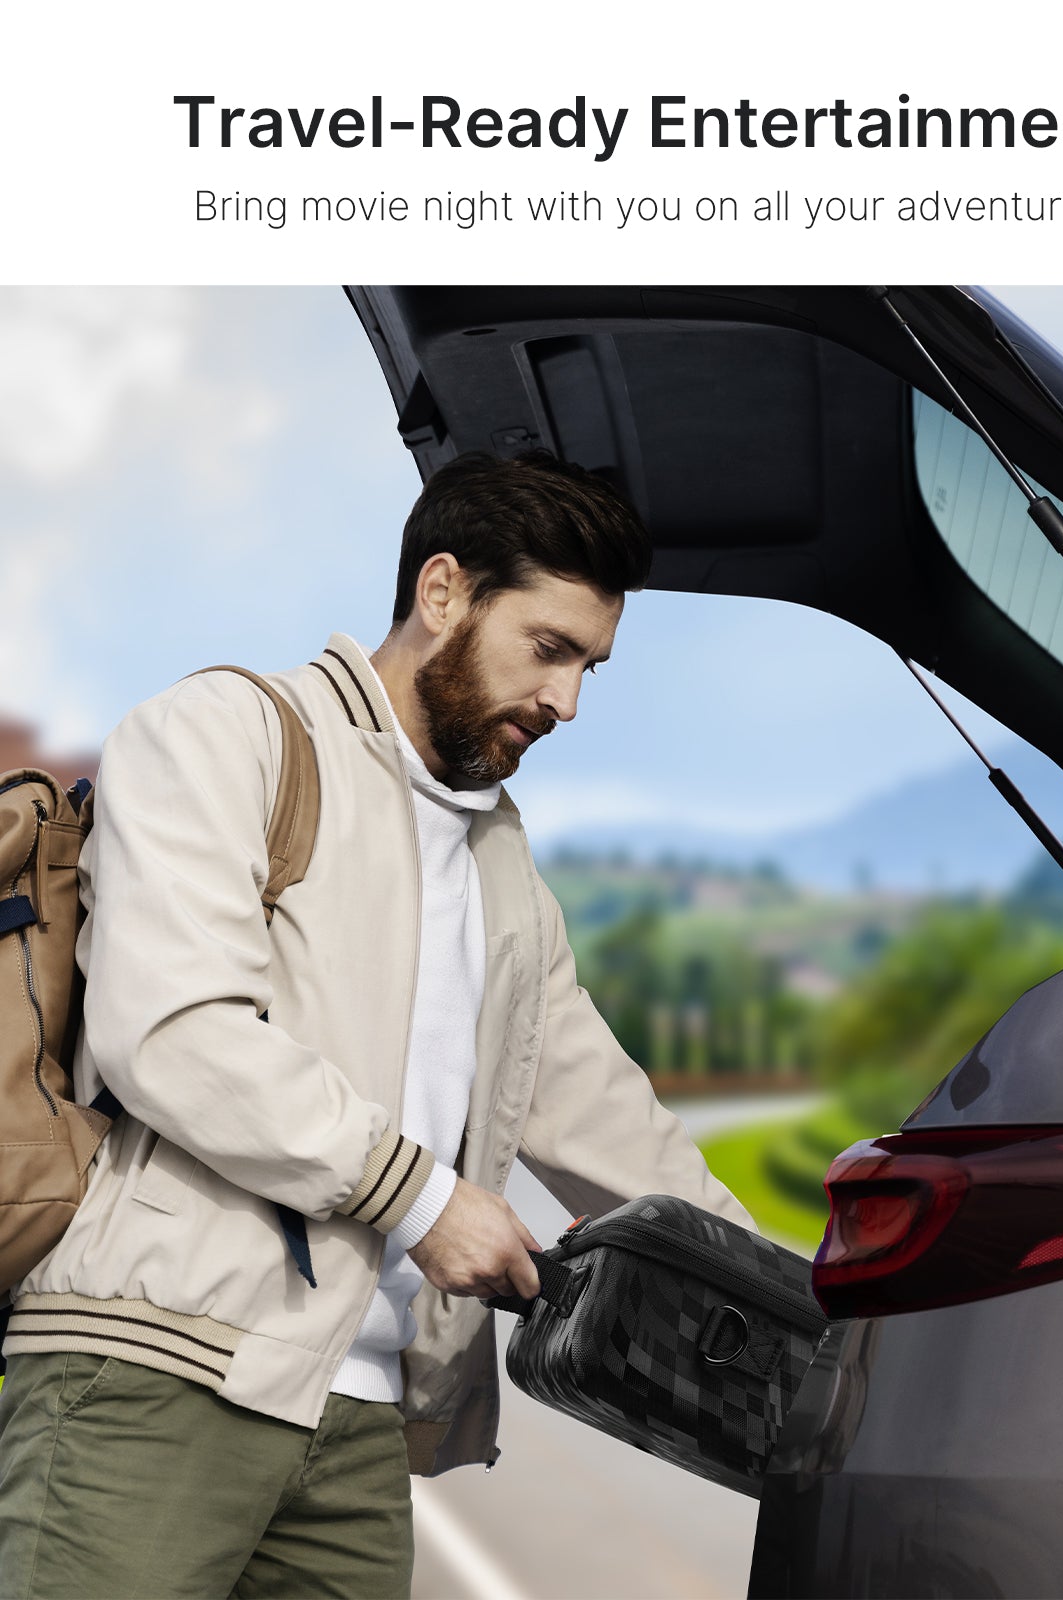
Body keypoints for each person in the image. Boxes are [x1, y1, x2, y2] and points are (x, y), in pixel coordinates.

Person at [0, 449, 751, 1599]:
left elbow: (603, 1116)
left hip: (355, 1419)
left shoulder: (499, 857)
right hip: (150, 1366)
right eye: (548, 650)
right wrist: (423, 1198)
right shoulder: (229, 731)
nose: (567, 702)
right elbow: (174, 1029)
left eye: (590, 665)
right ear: (441, 591)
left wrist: (783, 1296)